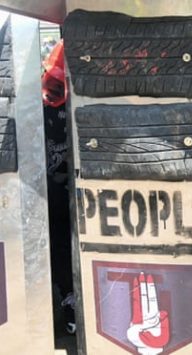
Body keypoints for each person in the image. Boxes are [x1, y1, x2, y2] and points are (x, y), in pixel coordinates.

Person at [41, 39, 76, 335]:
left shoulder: (82, 100)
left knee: (66, 240)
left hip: (68, 188)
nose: (53, 89)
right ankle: (65, 299)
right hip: (44, 189)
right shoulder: (33, 105)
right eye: (51, 80)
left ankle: (70, 300)